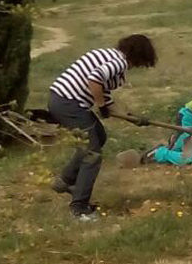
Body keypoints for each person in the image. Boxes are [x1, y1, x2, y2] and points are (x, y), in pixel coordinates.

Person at [48, 34, 157, 220]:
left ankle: (65, 181)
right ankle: (80, 208)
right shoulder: (119, 62)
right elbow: (94, 79)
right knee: (93, 154)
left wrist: (134, 119)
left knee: (98, 136)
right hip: (69, 103)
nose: (136, 67)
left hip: (63, 100)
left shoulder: (108, 55)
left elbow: (107, 99)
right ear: (137, 55)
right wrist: (100, 106)